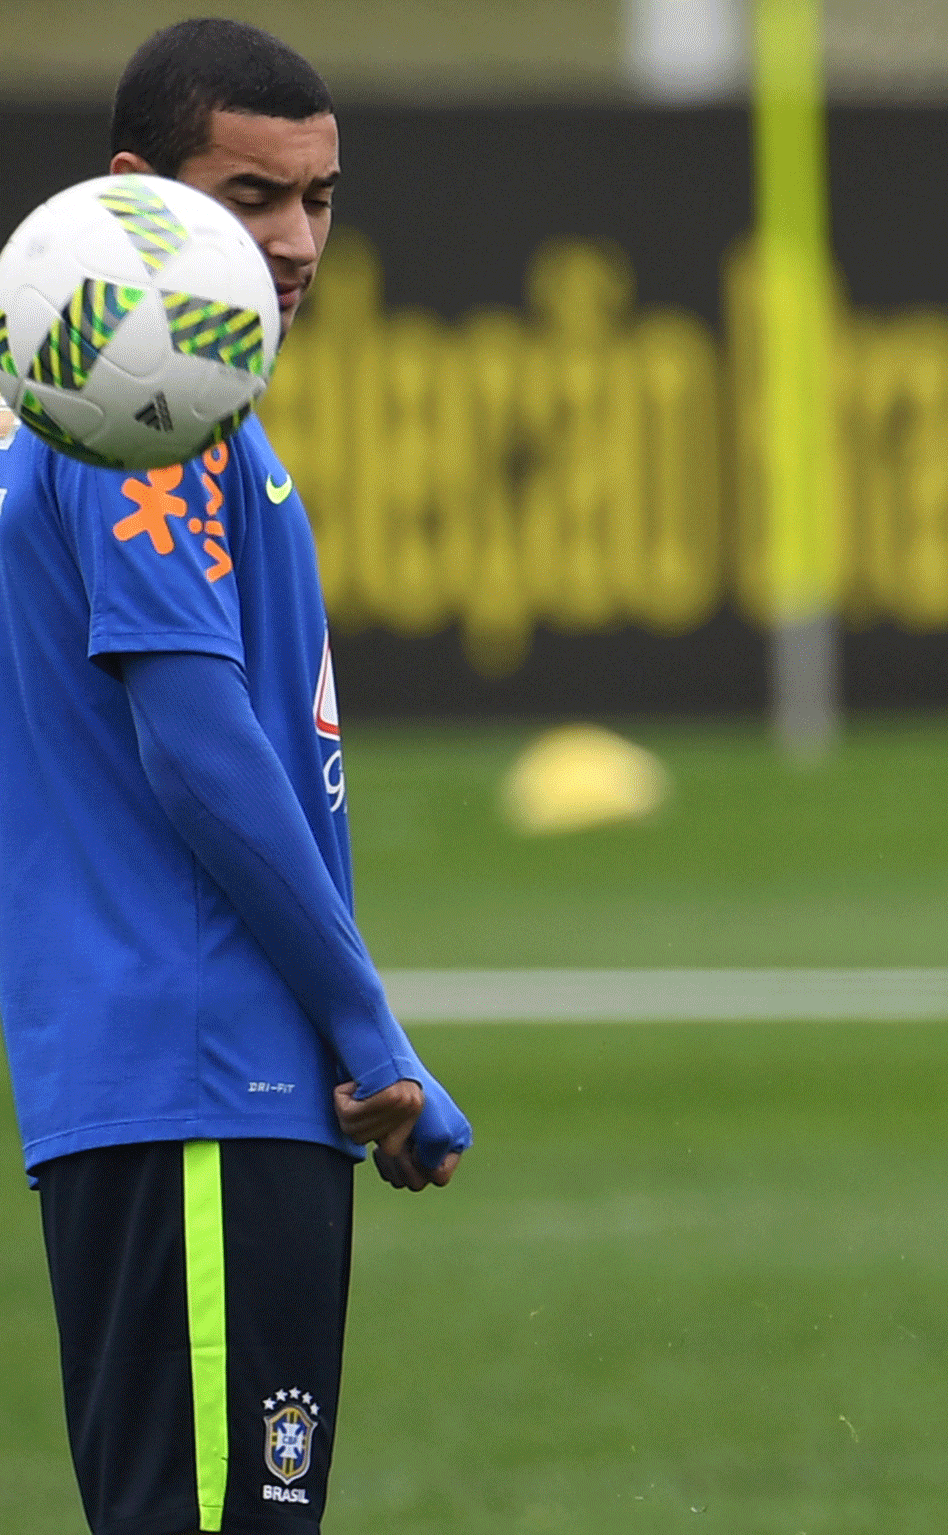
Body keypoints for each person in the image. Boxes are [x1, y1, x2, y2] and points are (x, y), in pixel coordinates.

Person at [0, 20, 470, 1535]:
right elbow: (200, 750)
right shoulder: (143, 410)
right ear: (132, 194)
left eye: (318, 200)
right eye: (250, 196)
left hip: (185, 1081)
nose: (291, 242)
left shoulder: (128, 407)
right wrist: (363, 1027)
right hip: (206, 1074)